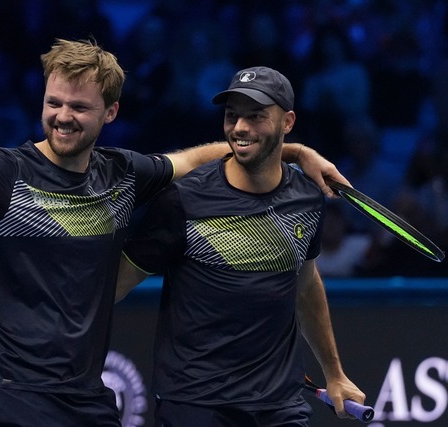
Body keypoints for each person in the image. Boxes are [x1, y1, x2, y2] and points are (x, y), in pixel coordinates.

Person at [0, 39, 345, 427]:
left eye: (79, 106)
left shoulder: (123, 174)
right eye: (54, 103)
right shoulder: (2, 173)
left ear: (110, 112)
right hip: (9, 389)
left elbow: (192, 159)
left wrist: (294, 152)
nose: (63, 116)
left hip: (85, 396)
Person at [115, 66, 366, 426]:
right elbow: (116, 285)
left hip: (280, 405)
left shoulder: (307, 199)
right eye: (232, 116)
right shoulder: (182, 200)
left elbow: (306, 284)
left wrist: (335, 373)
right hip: (195, 405)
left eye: (256, 116)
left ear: (287, 121)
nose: (240, 127)